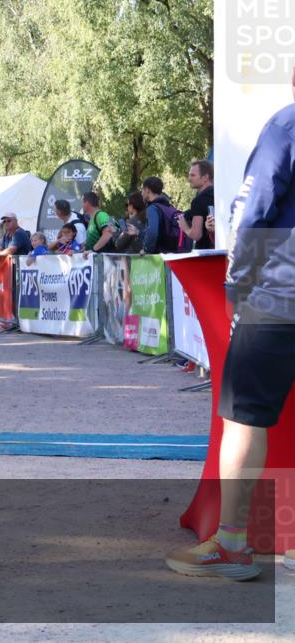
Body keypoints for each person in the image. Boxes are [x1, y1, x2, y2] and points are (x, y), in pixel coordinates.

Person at [165, 76, 295, 581]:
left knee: (243, 421)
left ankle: (234, 547)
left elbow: (254, 208)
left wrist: (238, 284)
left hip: (279, 295)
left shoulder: (286, 124)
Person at [141, 176, 189, 254]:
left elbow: (153, 232)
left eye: (142, 190)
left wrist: (146, 250)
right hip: (172, 253)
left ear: (147, 190)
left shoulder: (152, 208)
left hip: (159, 257)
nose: (142, 193)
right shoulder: (169, 207)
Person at [179, 160, 215, 250]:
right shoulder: (219, 195)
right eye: (189, 175)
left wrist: (185, 227)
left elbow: (196, 235)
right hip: (223, 251)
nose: (189, 178)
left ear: (205, 177)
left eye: (193, 175)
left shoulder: (198, 201)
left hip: (205, 254)